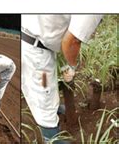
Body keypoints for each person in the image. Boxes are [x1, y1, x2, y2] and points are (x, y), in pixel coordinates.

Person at [21, 15, 103, 143]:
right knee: (44, 95)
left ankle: (55, 108)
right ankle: (52, 139)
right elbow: (72, 41)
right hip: (36, 55)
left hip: (37, 42)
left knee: (48, 88)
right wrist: (71, 66)